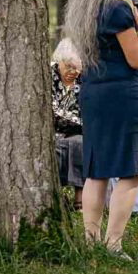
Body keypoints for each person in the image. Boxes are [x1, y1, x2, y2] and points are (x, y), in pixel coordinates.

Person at [61, 0, 138, 254]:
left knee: (96, 171)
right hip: (120, 96)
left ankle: (90, 242)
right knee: (132, 170)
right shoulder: (118, 9)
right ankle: (113, 244)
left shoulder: (84, 6)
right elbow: (137, 59)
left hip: (93, 94)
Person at [51, 39, 85, 207]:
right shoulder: (47, 76)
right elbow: (51, 110)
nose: (73, 71)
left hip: (78, 132)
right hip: (50, 130)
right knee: (53, 145)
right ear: (59, 62)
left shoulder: (85, 80)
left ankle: (80, 200)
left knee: (79, 144)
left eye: (77, 67)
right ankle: (56, 197)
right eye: (69, 66)